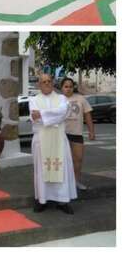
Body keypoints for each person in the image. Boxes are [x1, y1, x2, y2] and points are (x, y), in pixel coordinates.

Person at [30, 73, 77, 214]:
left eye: (49, 81)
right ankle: (42, 200)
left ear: (53, 82)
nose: (47, 83)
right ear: (39, 84)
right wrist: (52, 116)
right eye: (43, 81)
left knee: (62, 169)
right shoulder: (33, 100)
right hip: (41, 140)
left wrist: (43, 114)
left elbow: (63, 112)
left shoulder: (62, 98)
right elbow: (35, 118)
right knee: (41, 170)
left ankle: (62, 201)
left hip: (59, 140)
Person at [62, 77, 95, 191]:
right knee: (63, 161)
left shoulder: (81, 99)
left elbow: (87, 115)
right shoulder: (58, 99)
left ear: (73, 87)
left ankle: (75, 182)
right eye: (66, 86)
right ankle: (64, 184)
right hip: (62, 135)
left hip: (77, 134)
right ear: (62, 88)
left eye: (70, 86)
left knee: (78, 159)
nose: (68, 89)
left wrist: (91, 131)